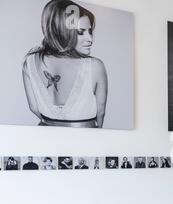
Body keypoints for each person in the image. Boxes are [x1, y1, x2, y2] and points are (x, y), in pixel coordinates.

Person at [22, 0, 108, 128]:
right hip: (85, 140)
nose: (90, 39)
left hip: (45, 137)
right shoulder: (95, 66)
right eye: (81, 32)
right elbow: (100, 112)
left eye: (90, 31)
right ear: (62, 31)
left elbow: (33, 107)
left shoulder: (29, 62)